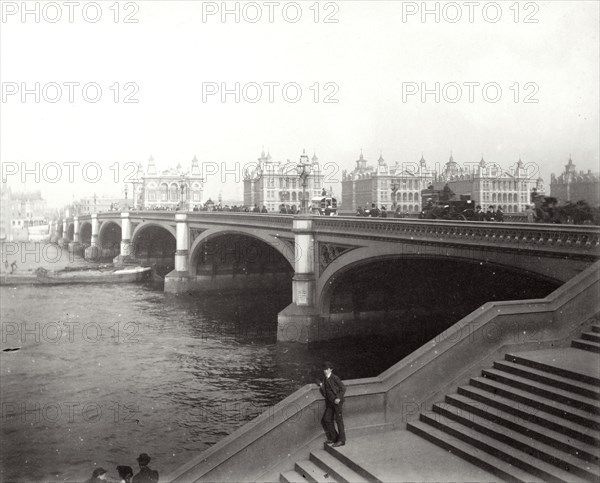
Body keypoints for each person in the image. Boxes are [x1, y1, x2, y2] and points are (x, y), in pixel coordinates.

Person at [318, 361, 346, 447]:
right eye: (324, 369)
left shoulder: (335, 378)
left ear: (331, 369)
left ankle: (342, 440)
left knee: (339, 421)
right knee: (326, 419)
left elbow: (343, 388)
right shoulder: (325, 379)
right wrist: (321, 385)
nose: (325, 371)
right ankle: (334, 437)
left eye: (327, 369)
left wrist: (338, 397)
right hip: (330, 403)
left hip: (337, 403)